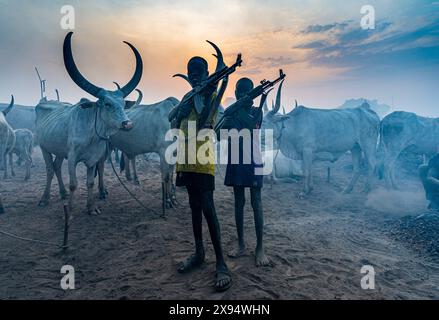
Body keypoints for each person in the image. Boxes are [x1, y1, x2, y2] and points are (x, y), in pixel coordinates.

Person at [169, 56, 232, 292]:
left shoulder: (213, 97)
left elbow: (207, 121)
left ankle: (221, 263)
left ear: (207, 73)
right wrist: (180, 111)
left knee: (208, 208)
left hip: (203, 161)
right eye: (190, 71)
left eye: (198, 70)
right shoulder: (186, 99)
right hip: (185, 160)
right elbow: (173, 129)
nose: (194, 74)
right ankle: (198, 253)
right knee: (194, 207)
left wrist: (209, 92)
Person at [219, 77, 270, 267]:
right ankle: (241, 244)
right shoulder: (231, 113)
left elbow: (252, 125)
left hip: (254, 160)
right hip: (236, 160)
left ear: (253, 95)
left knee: (256, 203)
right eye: (239, 91)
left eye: (245, 91)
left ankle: (260, 248)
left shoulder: (257, 112)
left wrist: (239, 108)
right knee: (238, 203)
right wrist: (233, 112)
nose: (241, 94)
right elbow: (220, 134)